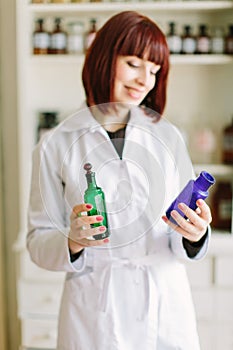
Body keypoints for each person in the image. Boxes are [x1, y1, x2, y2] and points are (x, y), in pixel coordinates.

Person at [27, 11, 212, 350]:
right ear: (103, 58)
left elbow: (179, 227)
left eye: (154, 70)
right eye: (133, 63)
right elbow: (38, 242)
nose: (145, 79)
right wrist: (72, 240)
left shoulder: (169, 137)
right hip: (95, 308)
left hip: (163, 303)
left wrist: (195, 234)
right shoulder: (56, 143)